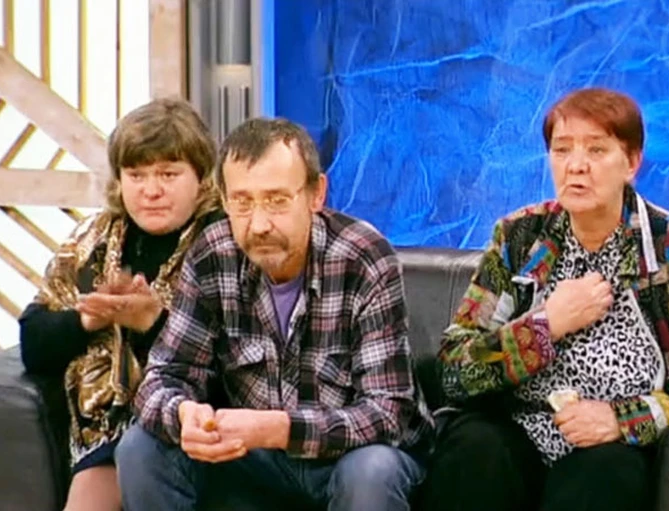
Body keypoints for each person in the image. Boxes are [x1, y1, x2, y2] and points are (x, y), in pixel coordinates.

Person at [421, 87, 669, 511]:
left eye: (597, 149)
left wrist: (624, 420)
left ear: (632, 162)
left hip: (614, 448)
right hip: (514, 429)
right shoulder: (519, 238)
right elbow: (454, 369)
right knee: (474, 451)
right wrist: (544, 326)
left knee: (601, 478)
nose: (576, 165)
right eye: (562, 149)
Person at [114, 117, 434, 511]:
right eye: (242, 202)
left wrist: (279, 429)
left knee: (371, 471)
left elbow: (389, 412)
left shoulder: (363, 257)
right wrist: (184, 415)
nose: (259, 224)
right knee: (140, 447)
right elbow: (161, 378)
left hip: (346, 459)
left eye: (277, 200)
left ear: (316, 194)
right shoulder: (212, 254)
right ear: (224, 200)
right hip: (252, 459)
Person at [18, 98, 221, 511]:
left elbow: (244, 361)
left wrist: (154, 323)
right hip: (106, 428)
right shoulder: (94, 240)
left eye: (168, 174)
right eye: (136, 175)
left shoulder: (225, 242)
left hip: (205, 420)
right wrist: (88, 320)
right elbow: (33, 345)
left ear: (201, 178)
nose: (151, 190)